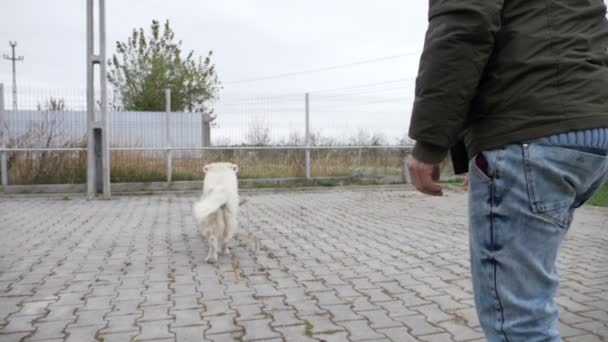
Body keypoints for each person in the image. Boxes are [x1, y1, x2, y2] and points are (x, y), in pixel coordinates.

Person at [407, 1, 608, 341]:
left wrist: (430, 143)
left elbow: (462, 29)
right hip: (590, 130)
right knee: (531, 298)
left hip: (529, 132)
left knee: (519, 324)